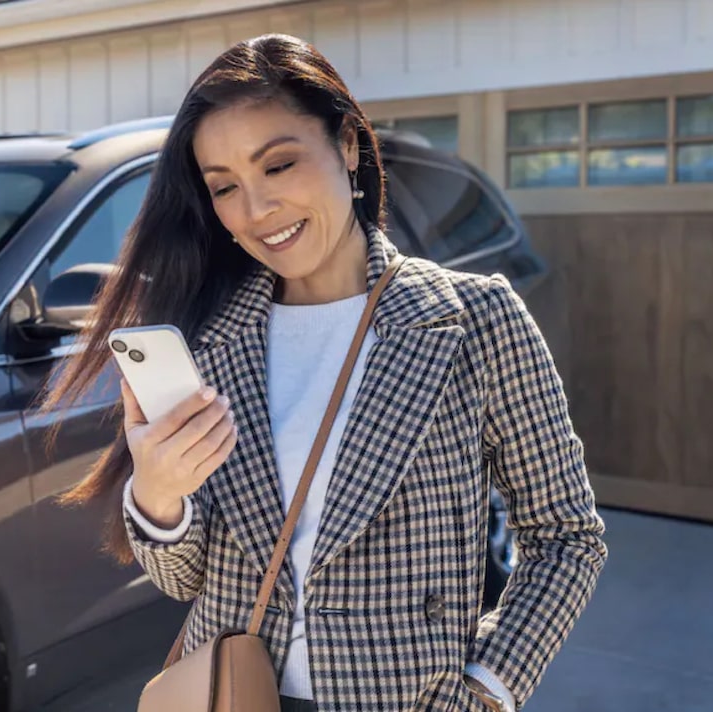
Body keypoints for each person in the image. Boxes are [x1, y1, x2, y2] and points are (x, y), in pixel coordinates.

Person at [40, 34, 607, 712]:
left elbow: (566, 536)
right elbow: (185, 579)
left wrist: (487, 690)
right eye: (225, 186)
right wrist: (159, 500)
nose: (255, 210)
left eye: (278, 165)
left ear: (346, 146)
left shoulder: (473, 320)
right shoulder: (211, 340)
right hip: (233, 695)